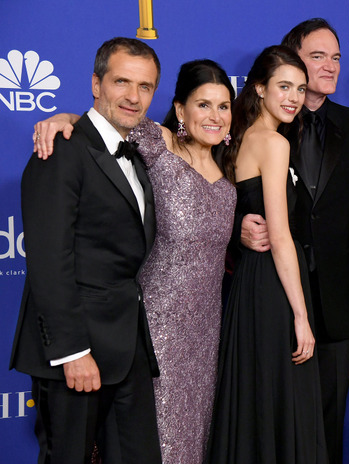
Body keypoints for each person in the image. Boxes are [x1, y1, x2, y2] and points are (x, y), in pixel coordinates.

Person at [32, 59, 238, 463]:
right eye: (203, 105)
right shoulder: (158, 145)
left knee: (193, 436)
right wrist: (63, 120)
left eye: (224, 106)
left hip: (205, 334)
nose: (215, 116)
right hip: (151, 329)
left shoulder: (231, 164)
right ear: (180, 110)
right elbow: (105, 125)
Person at [9, 37, 162, 463]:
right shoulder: (60, 149)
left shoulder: (135, 153)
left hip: (127, 347)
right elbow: (48, 260)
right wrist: (72, 352)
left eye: (145, 86)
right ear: (97, 84)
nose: (134, 96)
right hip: (76, 352)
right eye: (121, 82)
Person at [239, 19, 349, 462]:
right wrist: (238, 227)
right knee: (278, 418)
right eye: (317, 56)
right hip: (276, 293)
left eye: (336, 57)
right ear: (292, 61)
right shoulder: (264, 122)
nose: (330, 66)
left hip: (339, 298)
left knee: (329, 421)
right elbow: (209, 183)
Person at [206, 45, 326, 464]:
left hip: (248, 287)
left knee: (255, 400)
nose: (294, 97)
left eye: (300, 88)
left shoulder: (235, 139)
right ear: (259, 88)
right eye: (284, 87)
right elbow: (280, 236)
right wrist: (301, 315)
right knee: (282, 398)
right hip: (274, 289)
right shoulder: (273, 143)